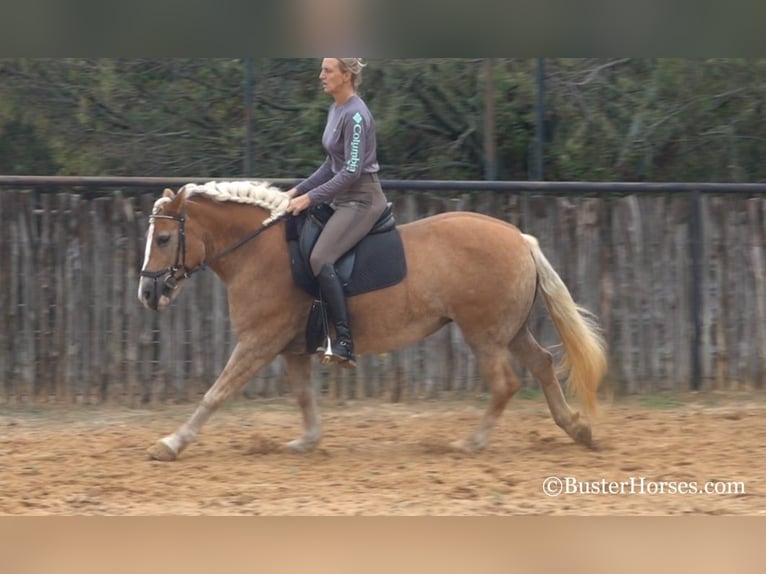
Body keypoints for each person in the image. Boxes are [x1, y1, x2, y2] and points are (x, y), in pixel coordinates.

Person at [285, 58, 388, 368]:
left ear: (347, 75)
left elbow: (352, 170)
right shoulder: (335, 109)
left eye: (327, 71)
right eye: (322, 70)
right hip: (340, 198)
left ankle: (343, 340)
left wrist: (310, 198)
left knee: (320, 258)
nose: (321, 76)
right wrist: (297, 190)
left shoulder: (356, 116)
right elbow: (332, 165)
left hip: (361, 200)